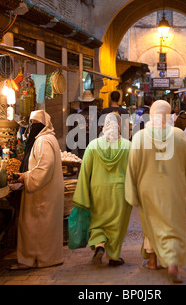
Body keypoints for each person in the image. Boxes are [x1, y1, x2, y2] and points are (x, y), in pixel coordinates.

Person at [125, 100, 186, 283]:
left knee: (151, 225)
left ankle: (152, 261)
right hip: (173, 189)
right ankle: (172, 264)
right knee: (171, 226)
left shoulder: (140, 137)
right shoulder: (178, 135)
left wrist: (131, 192)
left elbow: (132, 166)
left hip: (147, 189)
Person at [73, 113, 132, 267]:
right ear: (119, 126)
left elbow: (85, 171)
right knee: (116, 225)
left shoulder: (93, 145)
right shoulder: (128, 146)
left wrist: (82, 194)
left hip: (97, 191)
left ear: (104, 125)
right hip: (120, 191)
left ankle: (99, 245)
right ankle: (113, 257)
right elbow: (134, 171)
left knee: (98, 221)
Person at [12, 110, 64, 270]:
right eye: (32, 123)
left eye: (36, 123)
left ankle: (33, 259)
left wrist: (26, 177)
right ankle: (46, 258)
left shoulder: (43, 141)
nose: (33, 126)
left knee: (34, 226)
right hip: (47, 192)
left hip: (42, 194)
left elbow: (44, 167)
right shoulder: (49, 139)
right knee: (44, 227)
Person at [70, 90, 102, 159]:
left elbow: (75, 135)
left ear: (83, 103)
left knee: (83, 165)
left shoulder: (78, 116)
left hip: (82, 147)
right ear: (92, 102)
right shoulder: (98, 115)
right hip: (95, 146)